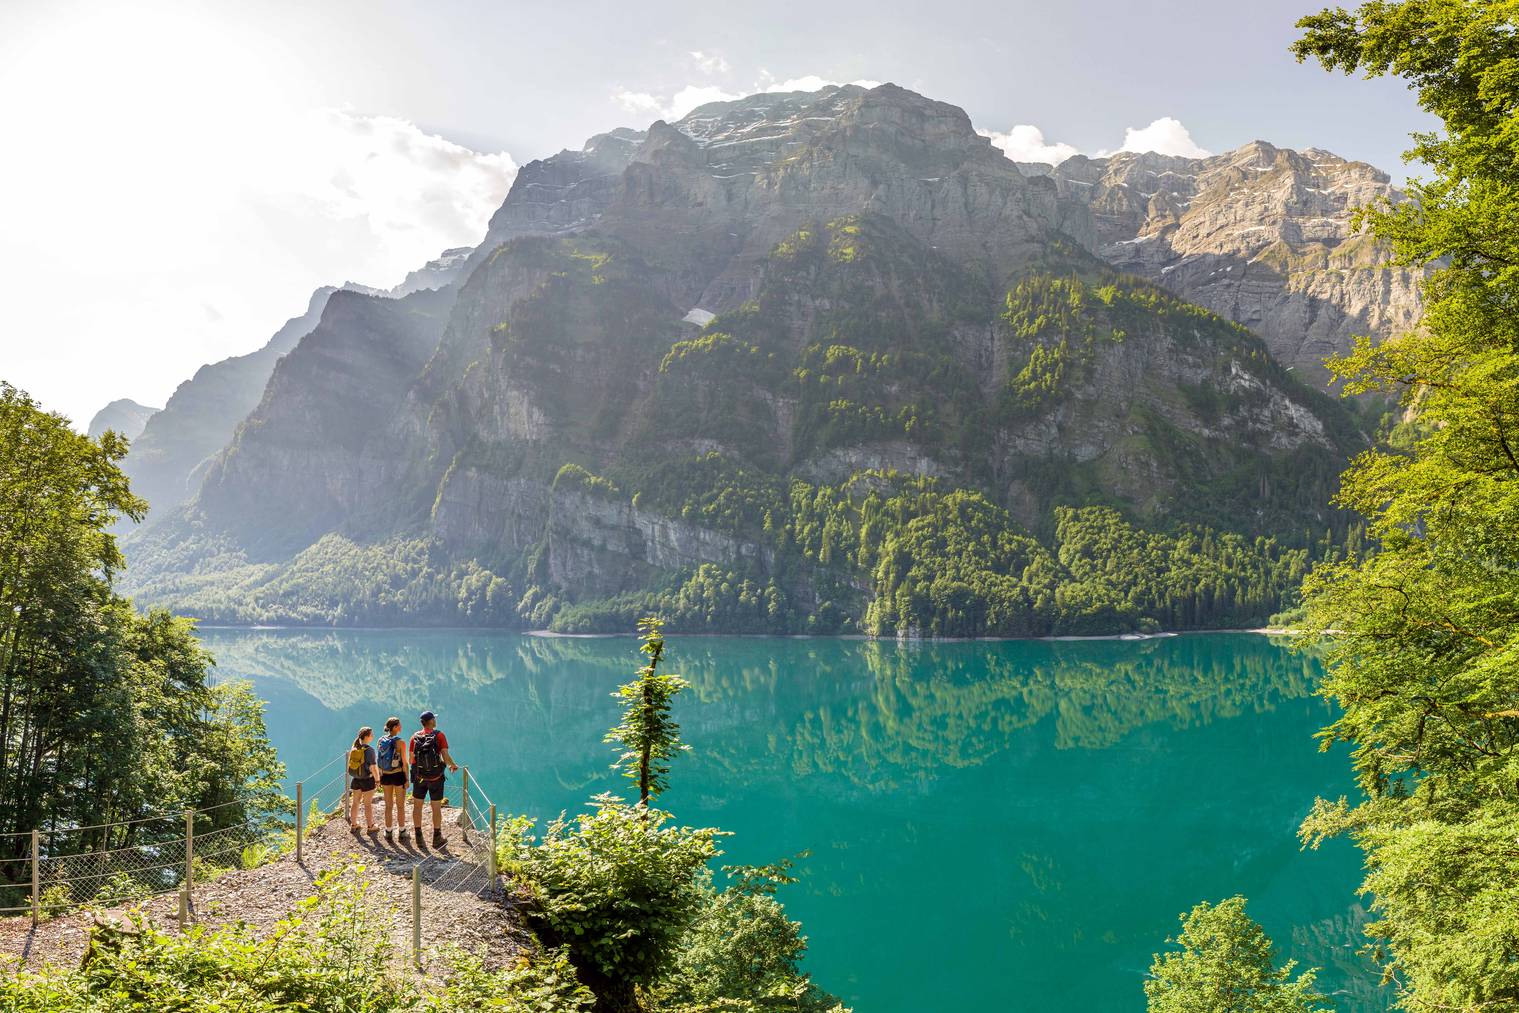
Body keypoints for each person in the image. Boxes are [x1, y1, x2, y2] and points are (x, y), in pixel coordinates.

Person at [409, 710, 458, 848]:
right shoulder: (439, 735)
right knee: (436, 808)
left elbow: (411, 759)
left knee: (417, 807)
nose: (435, 720)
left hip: (420, 778)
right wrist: (452, 765)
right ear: (431, 721)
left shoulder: (415, 737)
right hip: (436, 778)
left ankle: (419, 837)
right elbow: (445, 755)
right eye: (434, 719)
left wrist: (418, 772)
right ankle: (437, 838)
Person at [376, 716, 409, 843]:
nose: (401, 727)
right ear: (394, 727)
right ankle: (402, 831)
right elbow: (405, 763)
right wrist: (407, 779)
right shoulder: (400, 742)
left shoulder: (380, 740)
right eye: (399, 725)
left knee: (388, 806)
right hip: (398, 775)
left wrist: (379, 777)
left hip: (385, 775)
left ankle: (388, 831)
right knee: (400, 806)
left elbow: (379, 760)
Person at [346, 726, 379, 834]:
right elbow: (373, 768)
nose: (373, 736)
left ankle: (354, 824)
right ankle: (370, 826)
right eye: (371, 734)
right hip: (367, 780)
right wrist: (377, 780)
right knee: (367, 804)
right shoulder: (369, 750)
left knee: (355, 802)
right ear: (366, 736)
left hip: (356, 779)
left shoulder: (354, 748)